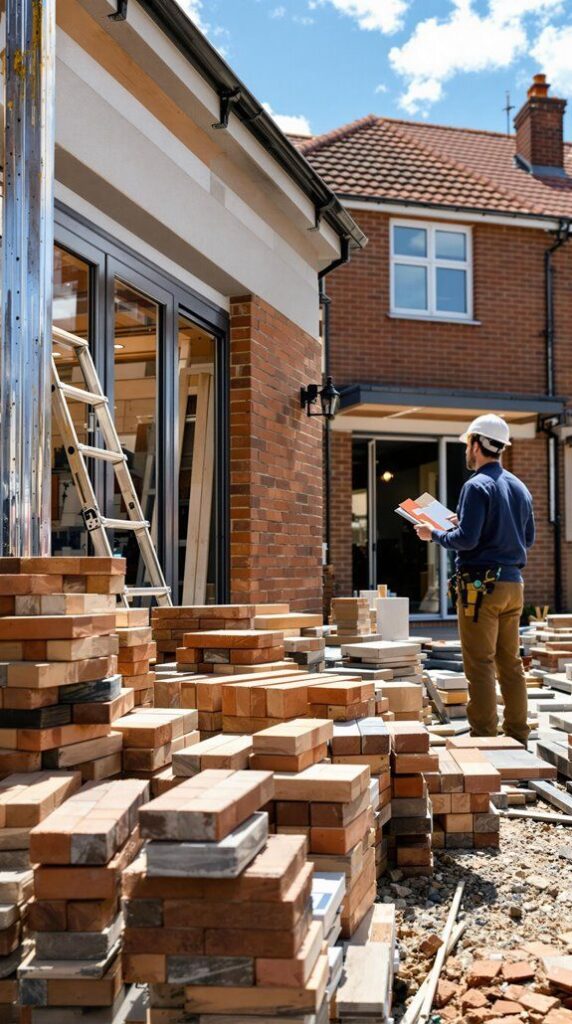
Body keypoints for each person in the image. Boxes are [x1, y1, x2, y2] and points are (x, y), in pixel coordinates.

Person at [415, 414, 534, 743]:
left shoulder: (476, 485)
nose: (467, 449)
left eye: (469, 443)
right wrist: (462, 523)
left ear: (477, 444)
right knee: (510, 664)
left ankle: (483, 736)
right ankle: (518, 736)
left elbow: (466, 540)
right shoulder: (519, 487)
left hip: (481, 588)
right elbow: (528, 537)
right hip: (513, 585)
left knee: (480, 663)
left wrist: (434, 533)